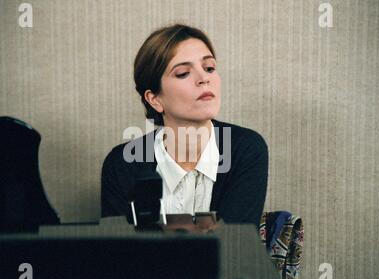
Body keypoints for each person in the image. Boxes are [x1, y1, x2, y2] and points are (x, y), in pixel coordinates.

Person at [101, 24, 268, 227]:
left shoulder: (245, 148)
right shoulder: (122, 164)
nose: (204, 78)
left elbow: (234, 247)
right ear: (154, 99)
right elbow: (119, 253)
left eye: (209, 68)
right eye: (183, 73)